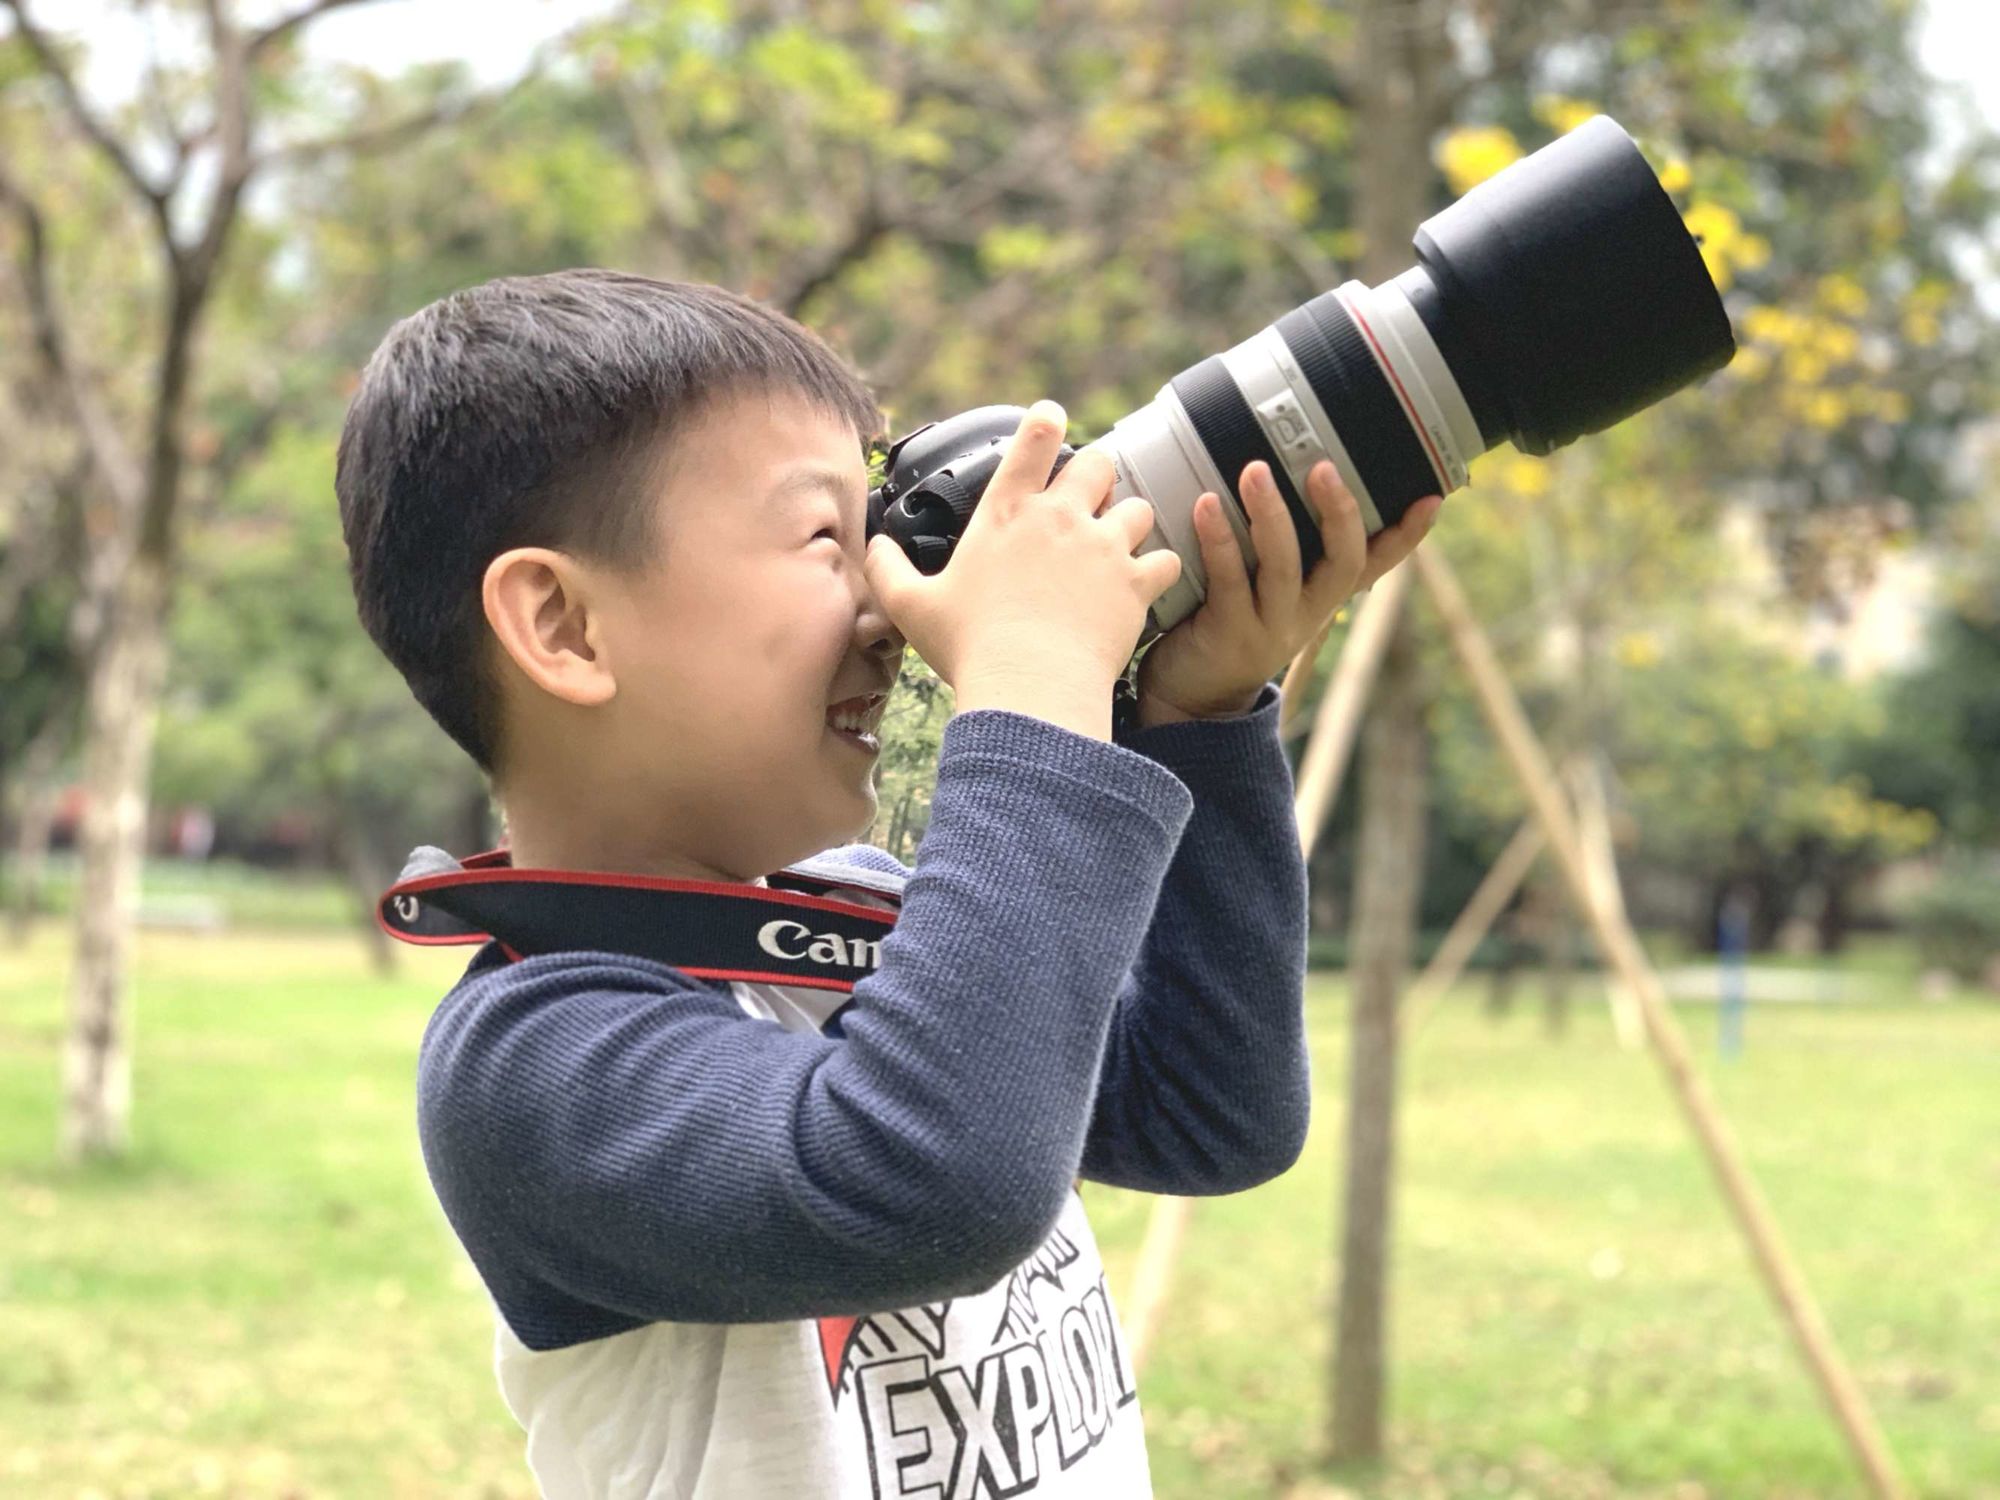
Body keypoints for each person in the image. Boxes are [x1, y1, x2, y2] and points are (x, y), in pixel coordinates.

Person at [335, 267, 1439, 1499]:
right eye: (825, 537)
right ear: (565, 627)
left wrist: (1196, 714)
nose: (886, 601)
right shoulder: (530, 1062)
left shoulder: (851, 915)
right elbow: (935, 1180)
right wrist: (1030, 674)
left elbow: (1209, 1111)